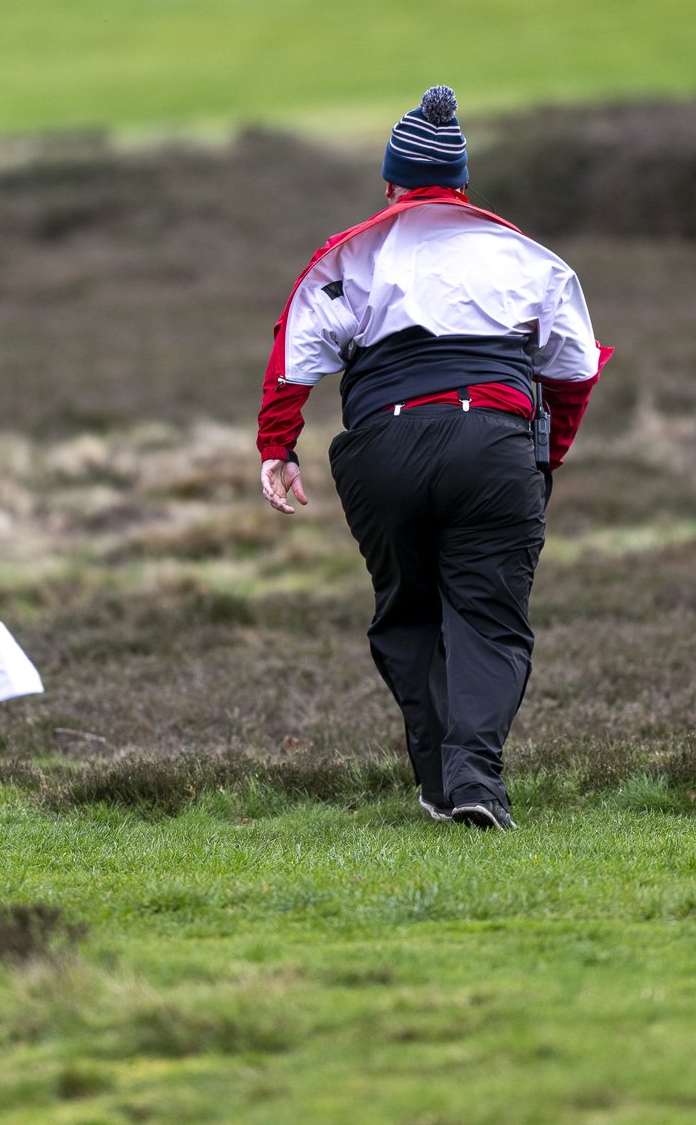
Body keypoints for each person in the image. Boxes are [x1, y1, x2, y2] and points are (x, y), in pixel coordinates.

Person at [255, 85, 610, 830]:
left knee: (408, 616)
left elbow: (294, 358)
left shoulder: (348, 255)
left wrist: (277, 447)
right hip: (492, 448)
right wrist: (546, 459)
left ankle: (440, 789)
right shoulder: (531, 259)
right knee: (488, 618)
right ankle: (476, 780)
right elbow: (573, 372)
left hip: (381, 446)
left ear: (389, 183)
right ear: (463, 184)